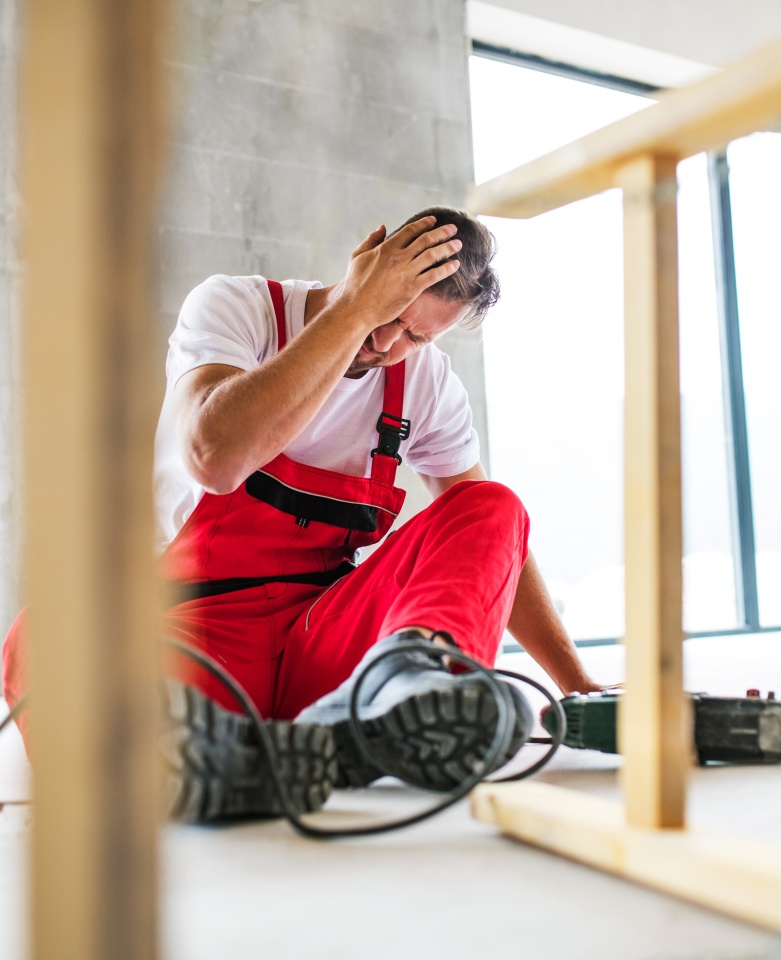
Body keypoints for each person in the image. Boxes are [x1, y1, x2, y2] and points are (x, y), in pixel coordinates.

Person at [4, 206, 601, 821]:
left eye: (417, 336)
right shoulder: (237, 311)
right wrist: (353, 312)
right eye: (391, 312)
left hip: (322, 642)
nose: (388, 342)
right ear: (366, 258)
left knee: (490, 503)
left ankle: (398, 689)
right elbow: (214, 457)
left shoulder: (424, 383)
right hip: (189, 635)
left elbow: (491, 540)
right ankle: (190, 756)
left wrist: (581, 688)